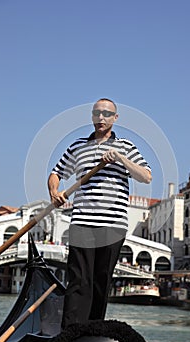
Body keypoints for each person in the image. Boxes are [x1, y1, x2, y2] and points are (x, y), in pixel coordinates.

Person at [47, 98, 152, 328]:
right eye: (97, 113)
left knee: (100, 282)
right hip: (82, 221)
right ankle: (71, 333)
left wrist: (120, 158)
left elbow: (146, 176)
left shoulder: (125, 146)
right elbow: (56, 173)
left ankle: (92, 331)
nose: (101, 118)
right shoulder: (77, 147)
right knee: (78, 280)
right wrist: (54, 192)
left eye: (106, 114)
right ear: (92, 117)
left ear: (115, 118)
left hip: (112, 225)